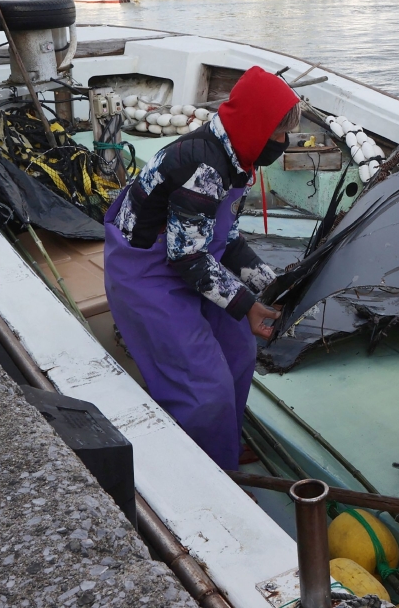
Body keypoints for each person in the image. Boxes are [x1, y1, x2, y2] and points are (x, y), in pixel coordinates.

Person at [104, 66, 299, 471]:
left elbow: (225, 240)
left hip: (195, 259)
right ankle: (208, 472)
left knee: (241, 352)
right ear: (256, 126)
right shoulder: (203, 167)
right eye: (279, 132)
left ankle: (222, 437)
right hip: (148, 272)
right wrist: (247, 306)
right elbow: (185, 256)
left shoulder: (238, 157)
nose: (284, 142)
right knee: (203, 387)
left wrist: (275, 285)